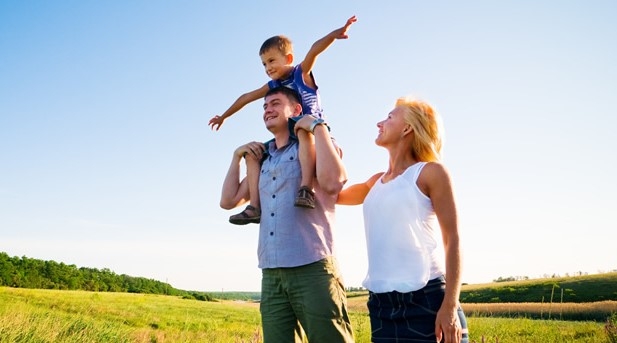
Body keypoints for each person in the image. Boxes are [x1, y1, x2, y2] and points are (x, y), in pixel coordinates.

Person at [218, 86, 355, 343]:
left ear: (296, 110)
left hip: (312, 267)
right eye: (265, 106)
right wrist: (236, 157)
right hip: (271, 273)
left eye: (276, 103)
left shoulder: (315, 144)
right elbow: (228, 201)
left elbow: (334, 182)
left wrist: (317, 127)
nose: (268, 109)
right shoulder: (264, 159)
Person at [337, 97, 469, 343]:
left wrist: (450, 305)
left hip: (427, 300)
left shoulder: (430, 173)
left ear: (407, 128)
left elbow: (453, 239)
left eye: (389, 117)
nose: (380, 122)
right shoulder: (374, 182)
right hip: (381, 305)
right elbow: (329, 194)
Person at [210, 16, 357, 225]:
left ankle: (305, 188)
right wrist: (224, 116)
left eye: (271, 61)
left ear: (288, 58)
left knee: (301, 130)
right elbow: (246, 97)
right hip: (287, 137)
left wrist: (334, 34)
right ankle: (255, 207)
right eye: (264, 64)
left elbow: (314, 50)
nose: (268, 67)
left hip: (310, 129)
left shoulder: (300, 73)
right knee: (253, 154)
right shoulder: (273, 85)